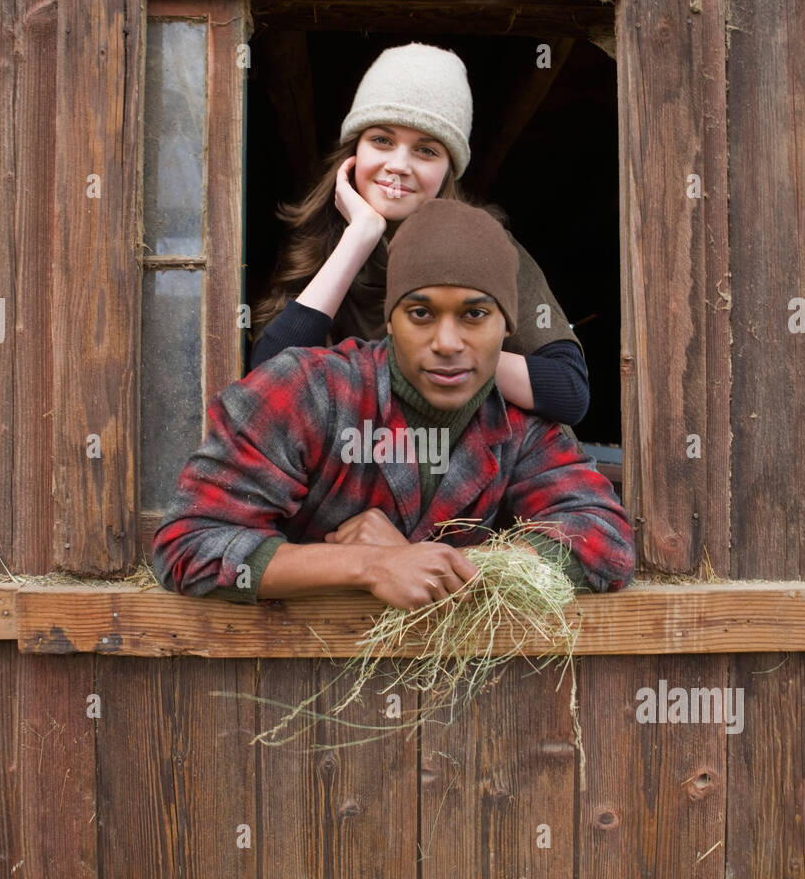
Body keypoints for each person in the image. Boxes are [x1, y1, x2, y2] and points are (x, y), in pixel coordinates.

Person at [152, 200, 634, 610]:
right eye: (421, 313)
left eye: (475, 314)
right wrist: (367, 565)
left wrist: (433, 564)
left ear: (507, 328)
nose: (447, 342)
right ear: (389, 320)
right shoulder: (307, 389)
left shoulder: (518, 425)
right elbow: (188, 545)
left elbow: (604, 539)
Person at [249, 41, 589, 426]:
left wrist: (439, 356)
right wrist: (358, 238)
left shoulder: (487, 248)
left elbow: (569, 391)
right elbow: (266, 386)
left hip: (459, 468)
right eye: (382, 140)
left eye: (426, 150)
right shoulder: (316, 246)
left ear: (448, 170)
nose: (398, 165)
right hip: (349, 466)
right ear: (353, 151)